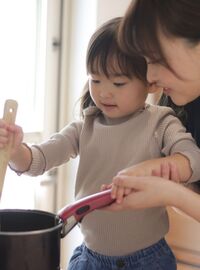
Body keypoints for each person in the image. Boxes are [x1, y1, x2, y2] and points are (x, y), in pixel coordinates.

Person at [1, 16, 200, 270]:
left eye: (118, 83)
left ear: (150, 82)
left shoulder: (161, 122)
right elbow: (36, 161)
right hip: (90, 259)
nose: (104, 92)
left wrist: (168, 166)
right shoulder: (85, 126)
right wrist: (15, 149)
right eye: (96, 80)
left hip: (149, 260)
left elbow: (193, 158)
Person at [108, 0, 200, 223]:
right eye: (147, 61)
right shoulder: (178, 103)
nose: (150, 77)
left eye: (157, 59)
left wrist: (171, 193)